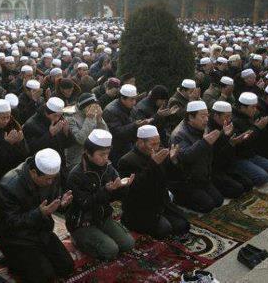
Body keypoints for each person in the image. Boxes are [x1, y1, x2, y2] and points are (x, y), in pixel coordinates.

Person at [0, 148, 74, 283]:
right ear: (33, 172)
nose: (51, 182)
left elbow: (52, 199)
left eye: (53, 178)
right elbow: (10, 222)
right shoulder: (8, 186)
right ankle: (13, 260)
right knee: (45, 277)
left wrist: (61, 203)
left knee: (67, 267)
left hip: (42, 232)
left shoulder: (52, 176)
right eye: (48, 179)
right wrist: (39, 213)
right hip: (17, 239)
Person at [66, 129, 135, 260]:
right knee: (111, 251)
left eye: (107, 154)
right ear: (87, 152)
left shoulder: (108, 168)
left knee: (128, 244)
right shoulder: (76, 175)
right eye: (101, 154)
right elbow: (84, 204)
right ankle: (77, 239)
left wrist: (123, 187)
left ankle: (100, 234)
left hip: (102, 217)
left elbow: (116, 197)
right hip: (82, 222)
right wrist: (106, 190)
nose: (106, 158)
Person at [119, 125, 190, 239]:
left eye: (158, 143)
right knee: (165, 230)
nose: (157, 147)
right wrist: (153, 165)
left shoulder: (159, 152)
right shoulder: (127, 161)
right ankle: (129, 222)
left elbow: (173, 177)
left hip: (161, 202)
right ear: (141, 142)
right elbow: (135, 188)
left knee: (183, 225)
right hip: (141, 207)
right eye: (153, 144)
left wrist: (173, 161)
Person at [170, 101, 224, 213]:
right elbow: (186, 157)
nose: (206, 119)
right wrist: (204, 143)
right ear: (191, 117)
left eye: (207, 116)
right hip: (187, 181)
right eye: (202, 116)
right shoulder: (179, 135)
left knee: (218, 201)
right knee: (208, 206)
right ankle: (179, 199)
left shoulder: (204, 127)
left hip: (202, 177)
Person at [231, 92, 268, 186]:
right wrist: (257, 128)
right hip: (239, 157)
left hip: (251, 154)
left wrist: (259, 128)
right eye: (252, 107)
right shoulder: (234, 121)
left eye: (256, 107)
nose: (255, 110)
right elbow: (243, 140)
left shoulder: (251, 117)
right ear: (242, 107)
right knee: (263, 177)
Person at [23, 97, 74, 185]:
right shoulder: (31, 125)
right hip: (42, 171)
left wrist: (67, 133)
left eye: (60, 115)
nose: (58, 118)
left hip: (59, 166)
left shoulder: (59, 119)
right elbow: (31, 149)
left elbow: (67, 145)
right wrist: (50, 134)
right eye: (55, 116)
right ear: (46, 112)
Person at [207, 101, 253, 197]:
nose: (229, 119)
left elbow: (231, 152)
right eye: (226, 116)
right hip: (214, 169)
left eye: (230, 116)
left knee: (248, 184)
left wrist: (236, 142)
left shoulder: (229, 126)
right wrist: (229, 141)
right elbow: (214, 157)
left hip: (228, 166)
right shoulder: (209, 130)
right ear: (216, 116)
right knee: (238, 190)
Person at [103, 84, 151, 165]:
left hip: (129, 143)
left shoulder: (131, 107)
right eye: (131, 100)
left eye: (135, 99)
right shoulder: (111, 111)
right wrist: (135, 125)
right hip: (116, 148)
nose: (134, 102)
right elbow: (116, 132)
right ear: (122, 98)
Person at [66, 93, 108, 171]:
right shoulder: (70, 117)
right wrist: (89, 118)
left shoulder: (95, 114)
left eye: (95, 106)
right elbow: (80, 140)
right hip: (77, 159)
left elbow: (105, 137)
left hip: (95, 156)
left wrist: (99, 120)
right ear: (82, 107)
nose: (93, 109)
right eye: (90, 107)